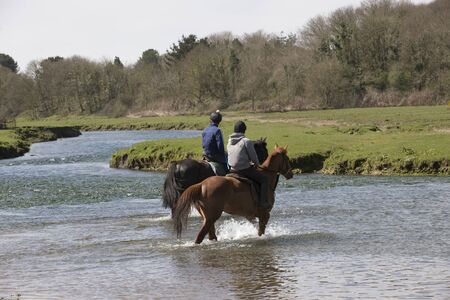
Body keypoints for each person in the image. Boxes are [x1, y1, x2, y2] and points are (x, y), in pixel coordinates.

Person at [227, 121, 270, 209]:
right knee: (264, 179)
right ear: (244, 130)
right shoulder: (246, 141)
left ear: (234, 130)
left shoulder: (229, 141)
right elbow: (253, 157)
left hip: (231, 169)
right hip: (244, 170)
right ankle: (263, 203)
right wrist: (257, 164)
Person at [202, 110, 228, 175]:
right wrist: (224, 153)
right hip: (214, 156)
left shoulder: (205, 129)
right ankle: (226, 173)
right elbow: (220, 147)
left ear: (210, 119)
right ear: (220, 121)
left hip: (205, 154)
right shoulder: (217, 130)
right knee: (226, 160)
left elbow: (203, 144)